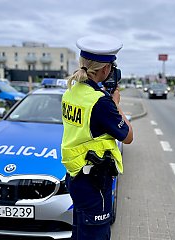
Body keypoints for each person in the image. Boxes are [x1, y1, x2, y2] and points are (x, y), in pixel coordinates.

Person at [61, 34, 133, 240]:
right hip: (94, 181)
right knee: (95, 235)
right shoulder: (101, 102)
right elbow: (128, 136)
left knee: (80, 232)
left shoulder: (71, 92)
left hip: (75, 175)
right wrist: (116, 103)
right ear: (105, 69)